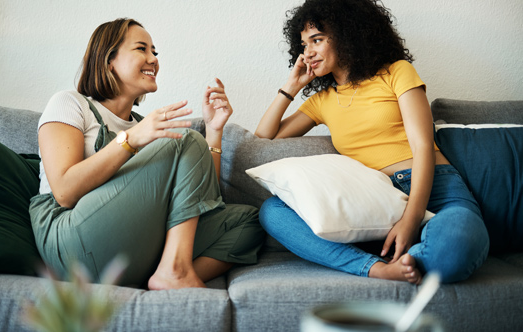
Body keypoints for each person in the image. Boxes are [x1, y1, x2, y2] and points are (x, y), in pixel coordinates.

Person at [254, 0, 489, 284]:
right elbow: (264, 138)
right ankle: (377, 268)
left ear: (347, 33)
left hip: (436, 190)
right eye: (303, 45)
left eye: (316, 40)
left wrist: (410, 220)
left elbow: (423, 147)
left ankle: (414, 256)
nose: (308, 53)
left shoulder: (396, 73)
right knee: (273, 212)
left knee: (457, 243)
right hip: (375, 202)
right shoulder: (323, 101)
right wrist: (292, 86)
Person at [29, 18, 264, 290]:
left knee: (250, 221)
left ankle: (166, 273)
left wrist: (213, 131)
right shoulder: (70, 104)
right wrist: (132, 139)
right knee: (185, 139)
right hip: (71, 240)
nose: (153, 59)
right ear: (109, 61)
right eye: (142, 49)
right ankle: (174, 270)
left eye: (155, 52)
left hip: (132, 244)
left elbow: (200, 197)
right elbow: (64, 191)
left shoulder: (145, 125)